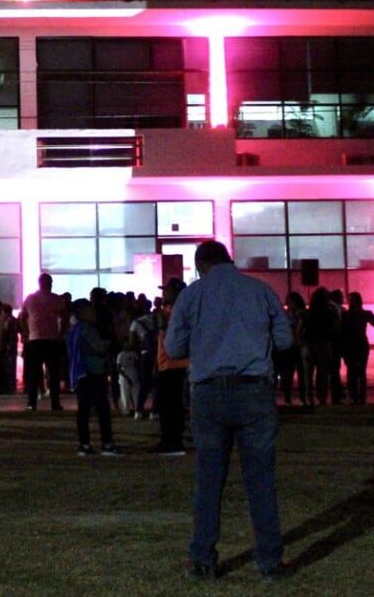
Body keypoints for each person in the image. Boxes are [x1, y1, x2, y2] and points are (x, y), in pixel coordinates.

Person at [165, 240, 293, 582]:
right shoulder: (261, 290)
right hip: (254, 389)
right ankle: (270, 561)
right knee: (260, 480)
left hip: (209, 392)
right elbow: (285, 340)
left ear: (200, 266)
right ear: (228, 259)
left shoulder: (191, 295)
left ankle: (202, 559)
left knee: (208, 480)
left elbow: (173, 347)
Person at [66, 298, 119, 456]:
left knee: (84, 410)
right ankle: (107, 444)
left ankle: (85, 444)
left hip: (80, 374)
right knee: (102, 409)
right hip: (92, 373)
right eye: (90, 310)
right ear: (82, 313)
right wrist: (108, 344)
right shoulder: (86, 330)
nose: (94, 313)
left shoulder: (73, 330)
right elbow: (99, 347)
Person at [20, 273, 68, 411]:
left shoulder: (30, 298)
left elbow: (22, 317)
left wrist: (26, 333)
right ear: (50, 283)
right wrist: (61, 333)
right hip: (52, 339)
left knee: (33, 374)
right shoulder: (56, 299)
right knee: (53, 374)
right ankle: (55, 403)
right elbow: (64, 318)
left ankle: (31, 403)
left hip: (34, 339)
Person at [153, 278, 188, 456]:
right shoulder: (176, 310)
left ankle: (172, 442)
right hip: (169, 363)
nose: (163, 293)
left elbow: (172, 336)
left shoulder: (176, 311)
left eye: (166, 290)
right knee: (170, 405)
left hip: (173, 364)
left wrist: (162, 325)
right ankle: (170, 440)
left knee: (170, 406)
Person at [339, 291, 374, 404]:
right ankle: (361, 396)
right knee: (361, 371)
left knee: (352, 371)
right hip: (361, 344)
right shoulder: (365, 313)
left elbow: (342, 331)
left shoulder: (346, 315)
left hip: (350, 344)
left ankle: (353, 395)